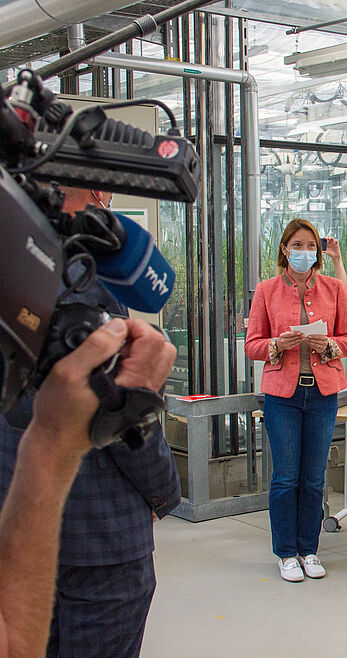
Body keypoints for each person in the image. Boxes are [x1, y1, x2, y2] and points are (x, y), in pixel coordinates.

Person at [0, 186, 181, 658]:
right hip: (99, 531)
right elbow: (119, 418)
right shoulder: (82, 280)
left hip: (14, 524)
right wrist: (164, 491)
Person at [245, 219, 347, 583]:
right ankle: (286, 553)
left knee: (313, 478)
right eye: (297, 244)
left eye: (311, 245)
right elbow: (252, 344)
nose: (304, 251)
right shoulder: (266, 291)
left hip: (322, 393)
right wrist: (277, 345)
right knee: (285, 478)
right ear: (284, 248)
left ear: (318, 251)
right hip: (283, 396)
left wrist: (329, 346)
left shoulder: (334, 289)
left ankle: (310, 549)